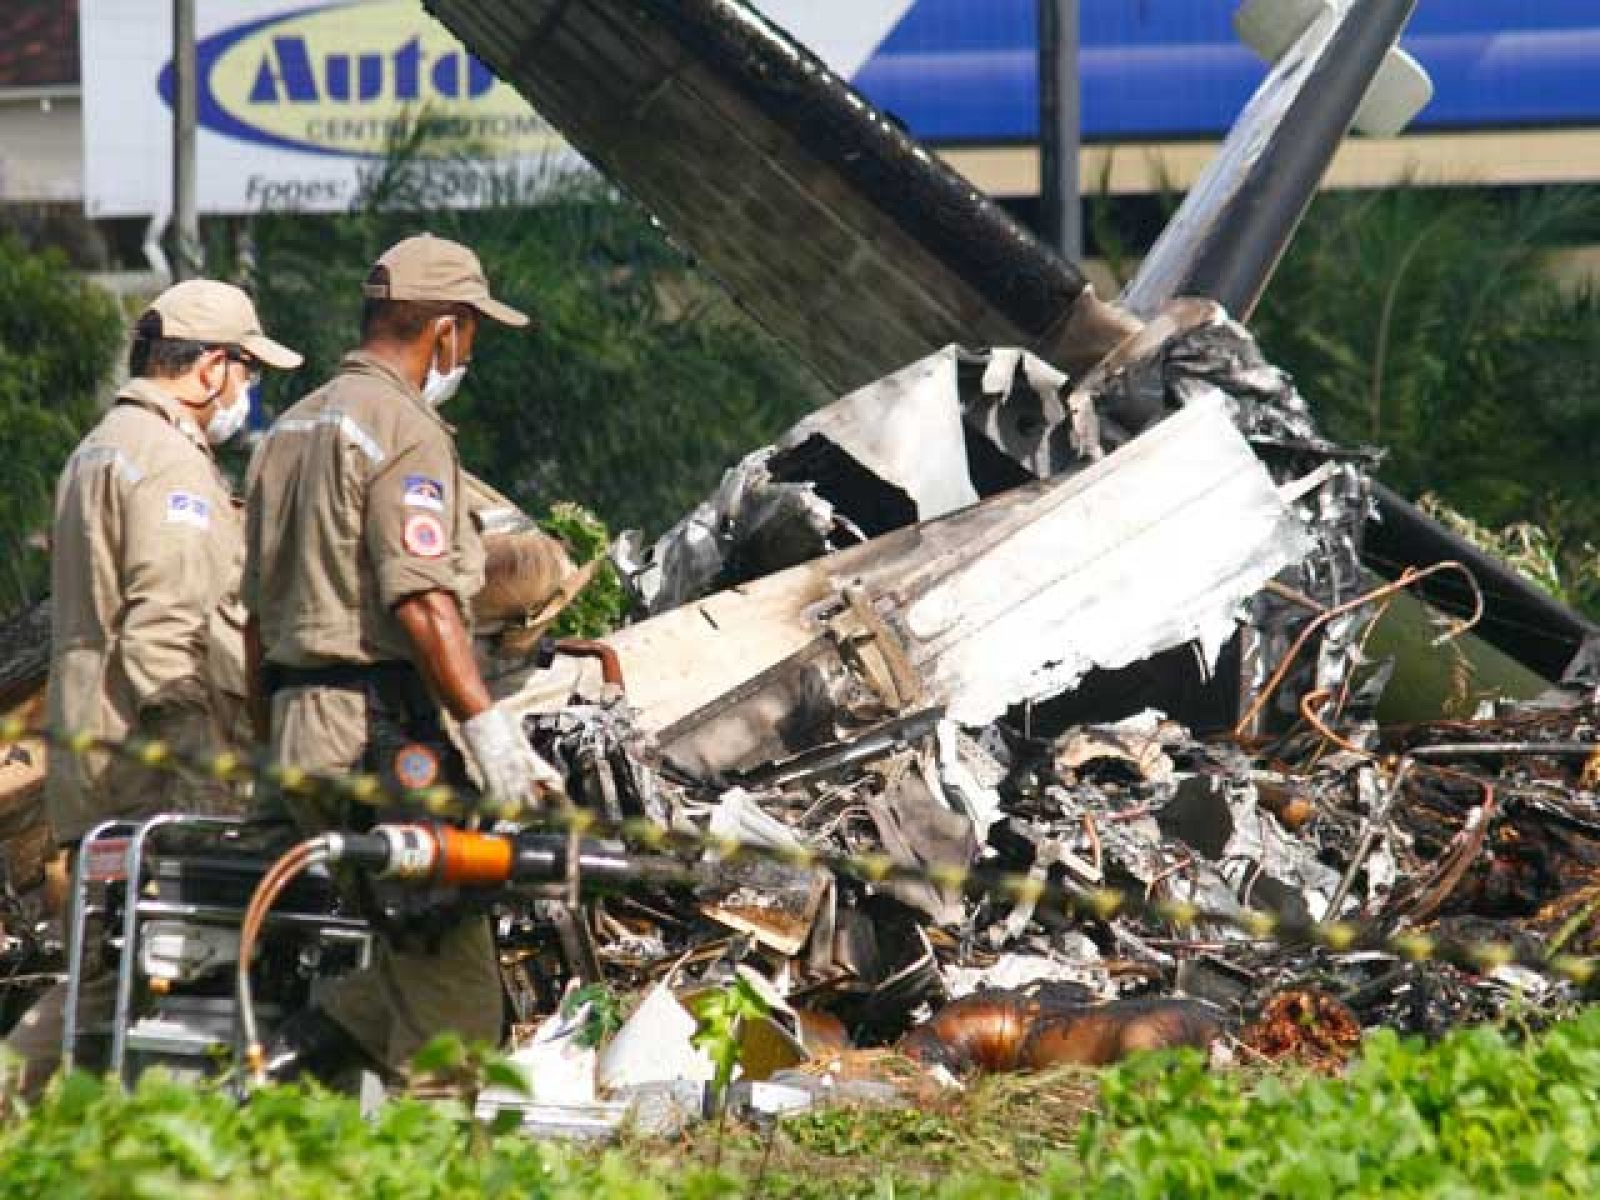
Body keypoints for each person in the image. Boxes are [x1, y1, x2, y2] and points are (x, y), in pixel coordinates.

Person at [243, 234, 562, 1082]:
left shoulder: (292, 426)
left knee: (398, 945)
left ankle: (289, 1074)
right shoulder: (405, 431)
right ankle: (425, 1164)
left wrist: (263, 748)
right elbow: (420, 598)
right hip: (379, 739)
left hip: (298, 733)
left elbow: (249, 617)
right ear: (447, 329)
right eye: (474, 330)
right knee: (453, 990)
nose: (471, 349)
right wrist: (489, 732)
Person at [4, 281, 302, 1095]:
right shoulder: (169, 463)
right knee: (158, 968)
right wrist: (208, 778)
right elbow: (166, 634)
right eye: (246, 370)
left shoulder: (103, 444)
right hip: (145, 766)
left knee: (104, 978)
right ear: (210, 368)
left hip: (93, 753)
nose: (247, 391)